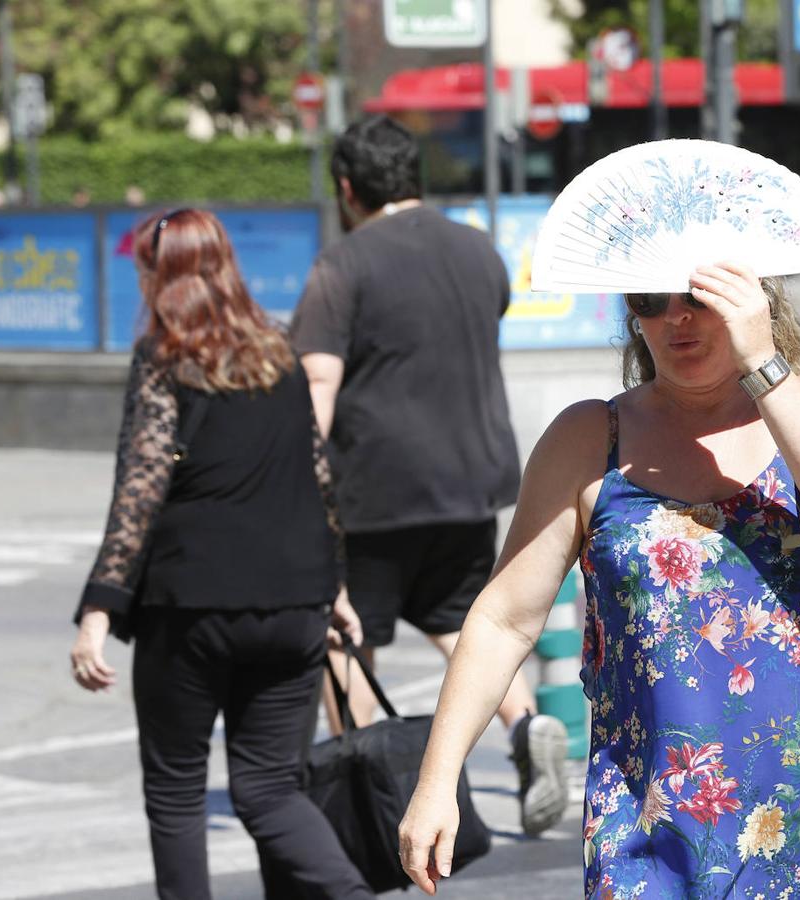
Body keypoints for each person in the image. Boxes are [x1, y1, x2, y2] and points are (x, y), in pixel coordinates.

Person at [398, 261, 800, 897]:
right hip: (646, 828)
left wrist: (765, 365)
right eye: (651, 298)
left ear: (752, 293)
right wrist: (437, 781)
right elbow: (503, 619)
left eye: (700, 296)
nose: (675, 317)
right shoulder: (590, 438)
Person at [69, 208, 374, 900]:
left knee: (177, 791)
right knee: (270, 788)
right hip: (296, 600)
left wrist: (99, 608)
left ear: (159, 274)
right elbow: (317, 474)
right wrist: (336, 587)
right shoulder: (279, 353)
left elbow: (139, 489)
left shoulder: (164, 358)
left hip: (194, 604)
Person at [289, 114, 570, 838]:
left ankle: (365, 795)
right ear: (414, 176)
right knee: (469, 622)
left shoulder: (341, 267)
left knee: (345, 643)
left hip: (372, 492)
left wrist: (297, 491)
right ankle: (524, 724)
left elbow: (317, 386)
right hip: (472, 479)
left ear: (348, 188)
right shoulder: (481, 254)